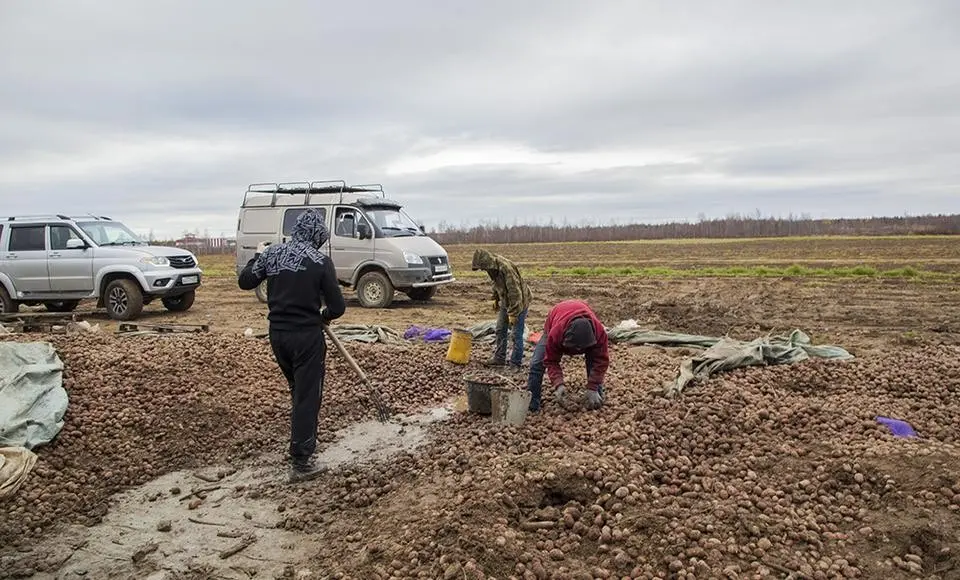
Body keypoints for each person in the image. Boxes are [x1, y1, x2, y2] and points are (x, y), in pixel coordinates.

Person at [238, 209, 346, 483]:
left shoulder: (273, 255)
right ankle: (301, 460)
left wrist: (258, 256)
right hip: (307, 338)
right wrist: (324, 317)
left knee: (299, 391)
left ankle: (303, 439)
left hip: (278, 336)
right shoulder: (321, 262)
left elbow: (245, 281)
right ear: (318, 234)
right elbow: (337, 307)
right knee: (307, 396)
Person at [526, 300, 608, 412]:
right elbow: (551, 361)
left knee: (594, 360)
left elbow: (601, 361)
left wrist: (593, 387)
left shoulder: (599, 333)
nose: (577, 351)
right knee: (537, 363)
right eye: (574, 348)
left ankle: (594, 397)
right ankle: (532, 403)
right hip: (557, 315)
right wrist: (558, 384)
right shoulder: (556, 333)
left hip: (582, 321)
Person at [471, 248, 532, 370]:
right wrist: (495, 298)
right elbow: (496, 283)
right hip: (506, 300)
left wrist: (514, 313)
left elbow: (515, 293)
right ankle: (499, 358)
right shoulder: (492, 269)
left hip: (519, 302)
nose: (483, 270)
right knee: (500, 329)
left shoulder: (505, 268)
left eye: (482, 267)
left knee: (516, 334)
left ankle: (515, 364)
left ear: (486, 263)